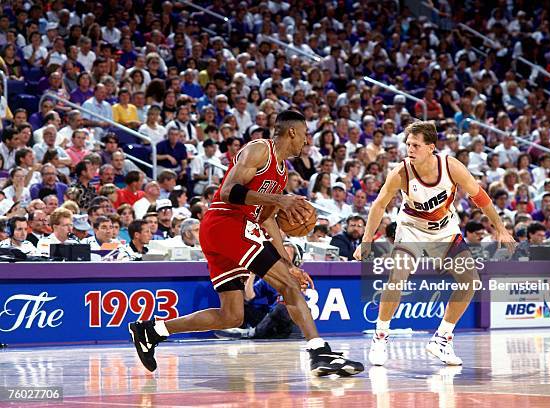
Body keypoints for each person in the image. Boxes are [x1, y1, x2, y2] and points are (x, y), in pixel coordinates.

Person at [128, 110, 364, 376]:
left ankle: (152, 330)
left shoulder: (282, 174)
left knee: (232, 315)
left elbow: (267, 220)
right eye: (306, 134)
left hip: (232, 230)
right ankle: (319, 352)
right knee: (286, 285)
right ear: (292, 132)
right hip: (226, 223)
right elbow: (228, 191)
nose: (307, 141)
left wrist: (287, 262)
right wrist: (279, 200)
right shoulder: (260, 150)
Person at [354, 121, 515, 366]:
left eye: (416, 145)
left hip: (444, 230)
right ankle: (380, 335)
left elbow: (480, 198)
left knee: (470, 281)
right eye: (408, 144)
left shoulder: (451, 167)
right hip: (411, 229)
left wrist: (501, 229)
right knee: (398, 276)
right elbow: (379, 205)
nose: (410, 149)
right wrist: (366, 241)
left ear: (431, 147)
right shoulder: (401, 172)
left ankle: (441, 339)